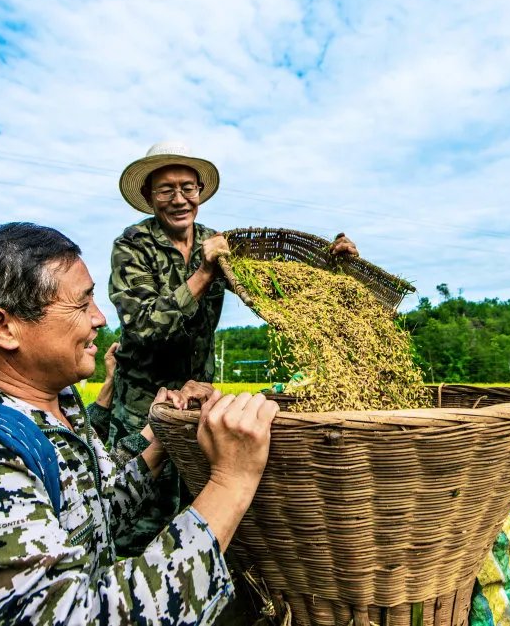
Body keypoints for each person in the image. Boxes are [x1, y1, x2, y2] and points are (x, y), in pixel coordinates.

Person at [0, 222, 278, 625]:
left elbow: (94, 514)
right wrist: (230, 482)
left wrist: (158, 435)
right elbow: (80, 616)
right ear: (4, 327)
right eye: (81, 301)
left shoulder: (51, 407)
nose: (100, 318)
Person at [107, 141, 357, 554]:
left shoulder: (217, 242)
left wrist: (332, 264)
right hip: (142, 408)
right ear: (150, 197)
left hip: (197, 407)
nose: (179, 199)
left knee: (198, 509)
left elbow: (278, 281)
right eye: (166, 189)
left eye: (187, 187)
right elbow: (144, 326)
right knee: (136, 514)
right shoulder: (132, 246)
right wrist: (205, 272)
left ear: (201, 192)